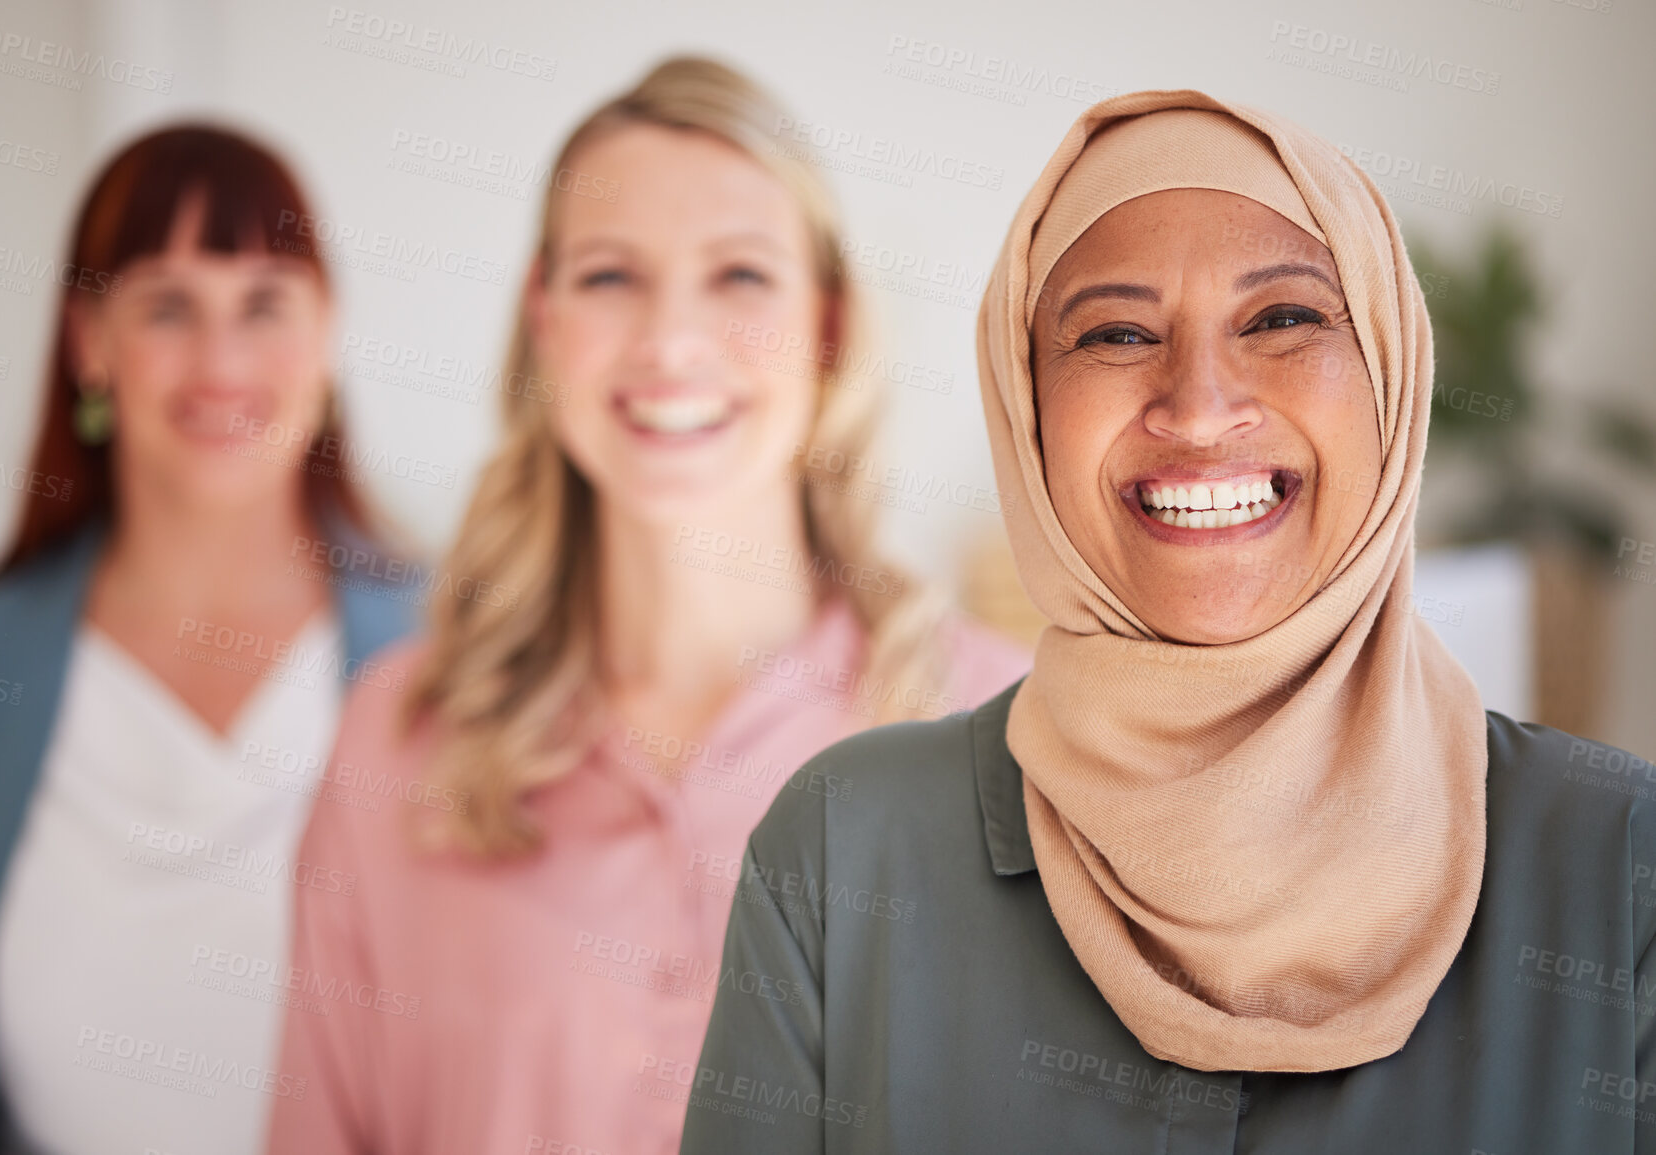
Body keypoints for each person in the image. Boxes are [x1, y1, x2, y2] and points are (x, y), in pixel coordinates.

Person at [681, 89, 1656, 1154]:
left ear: (1389, 369)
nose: (1197, 408)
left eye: (1282, 318)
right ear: (1027, 409)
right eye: (1115, 333)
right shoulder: (842, 854)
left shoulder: (1620, 866)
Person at [265, 56, 1027, 1155]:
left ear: (828, 322)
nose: (671, 341)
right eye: (612, 276)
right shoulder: (396, 737)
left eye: (740, 275)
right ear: (544, 319)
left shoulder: (1000, 732)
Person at [0, 126, 415, 1155]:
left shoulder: (459, 657)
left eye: (265, 304)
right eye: (167, 305)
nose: (221, 360)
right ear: (88, 341)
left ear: (327, 335)